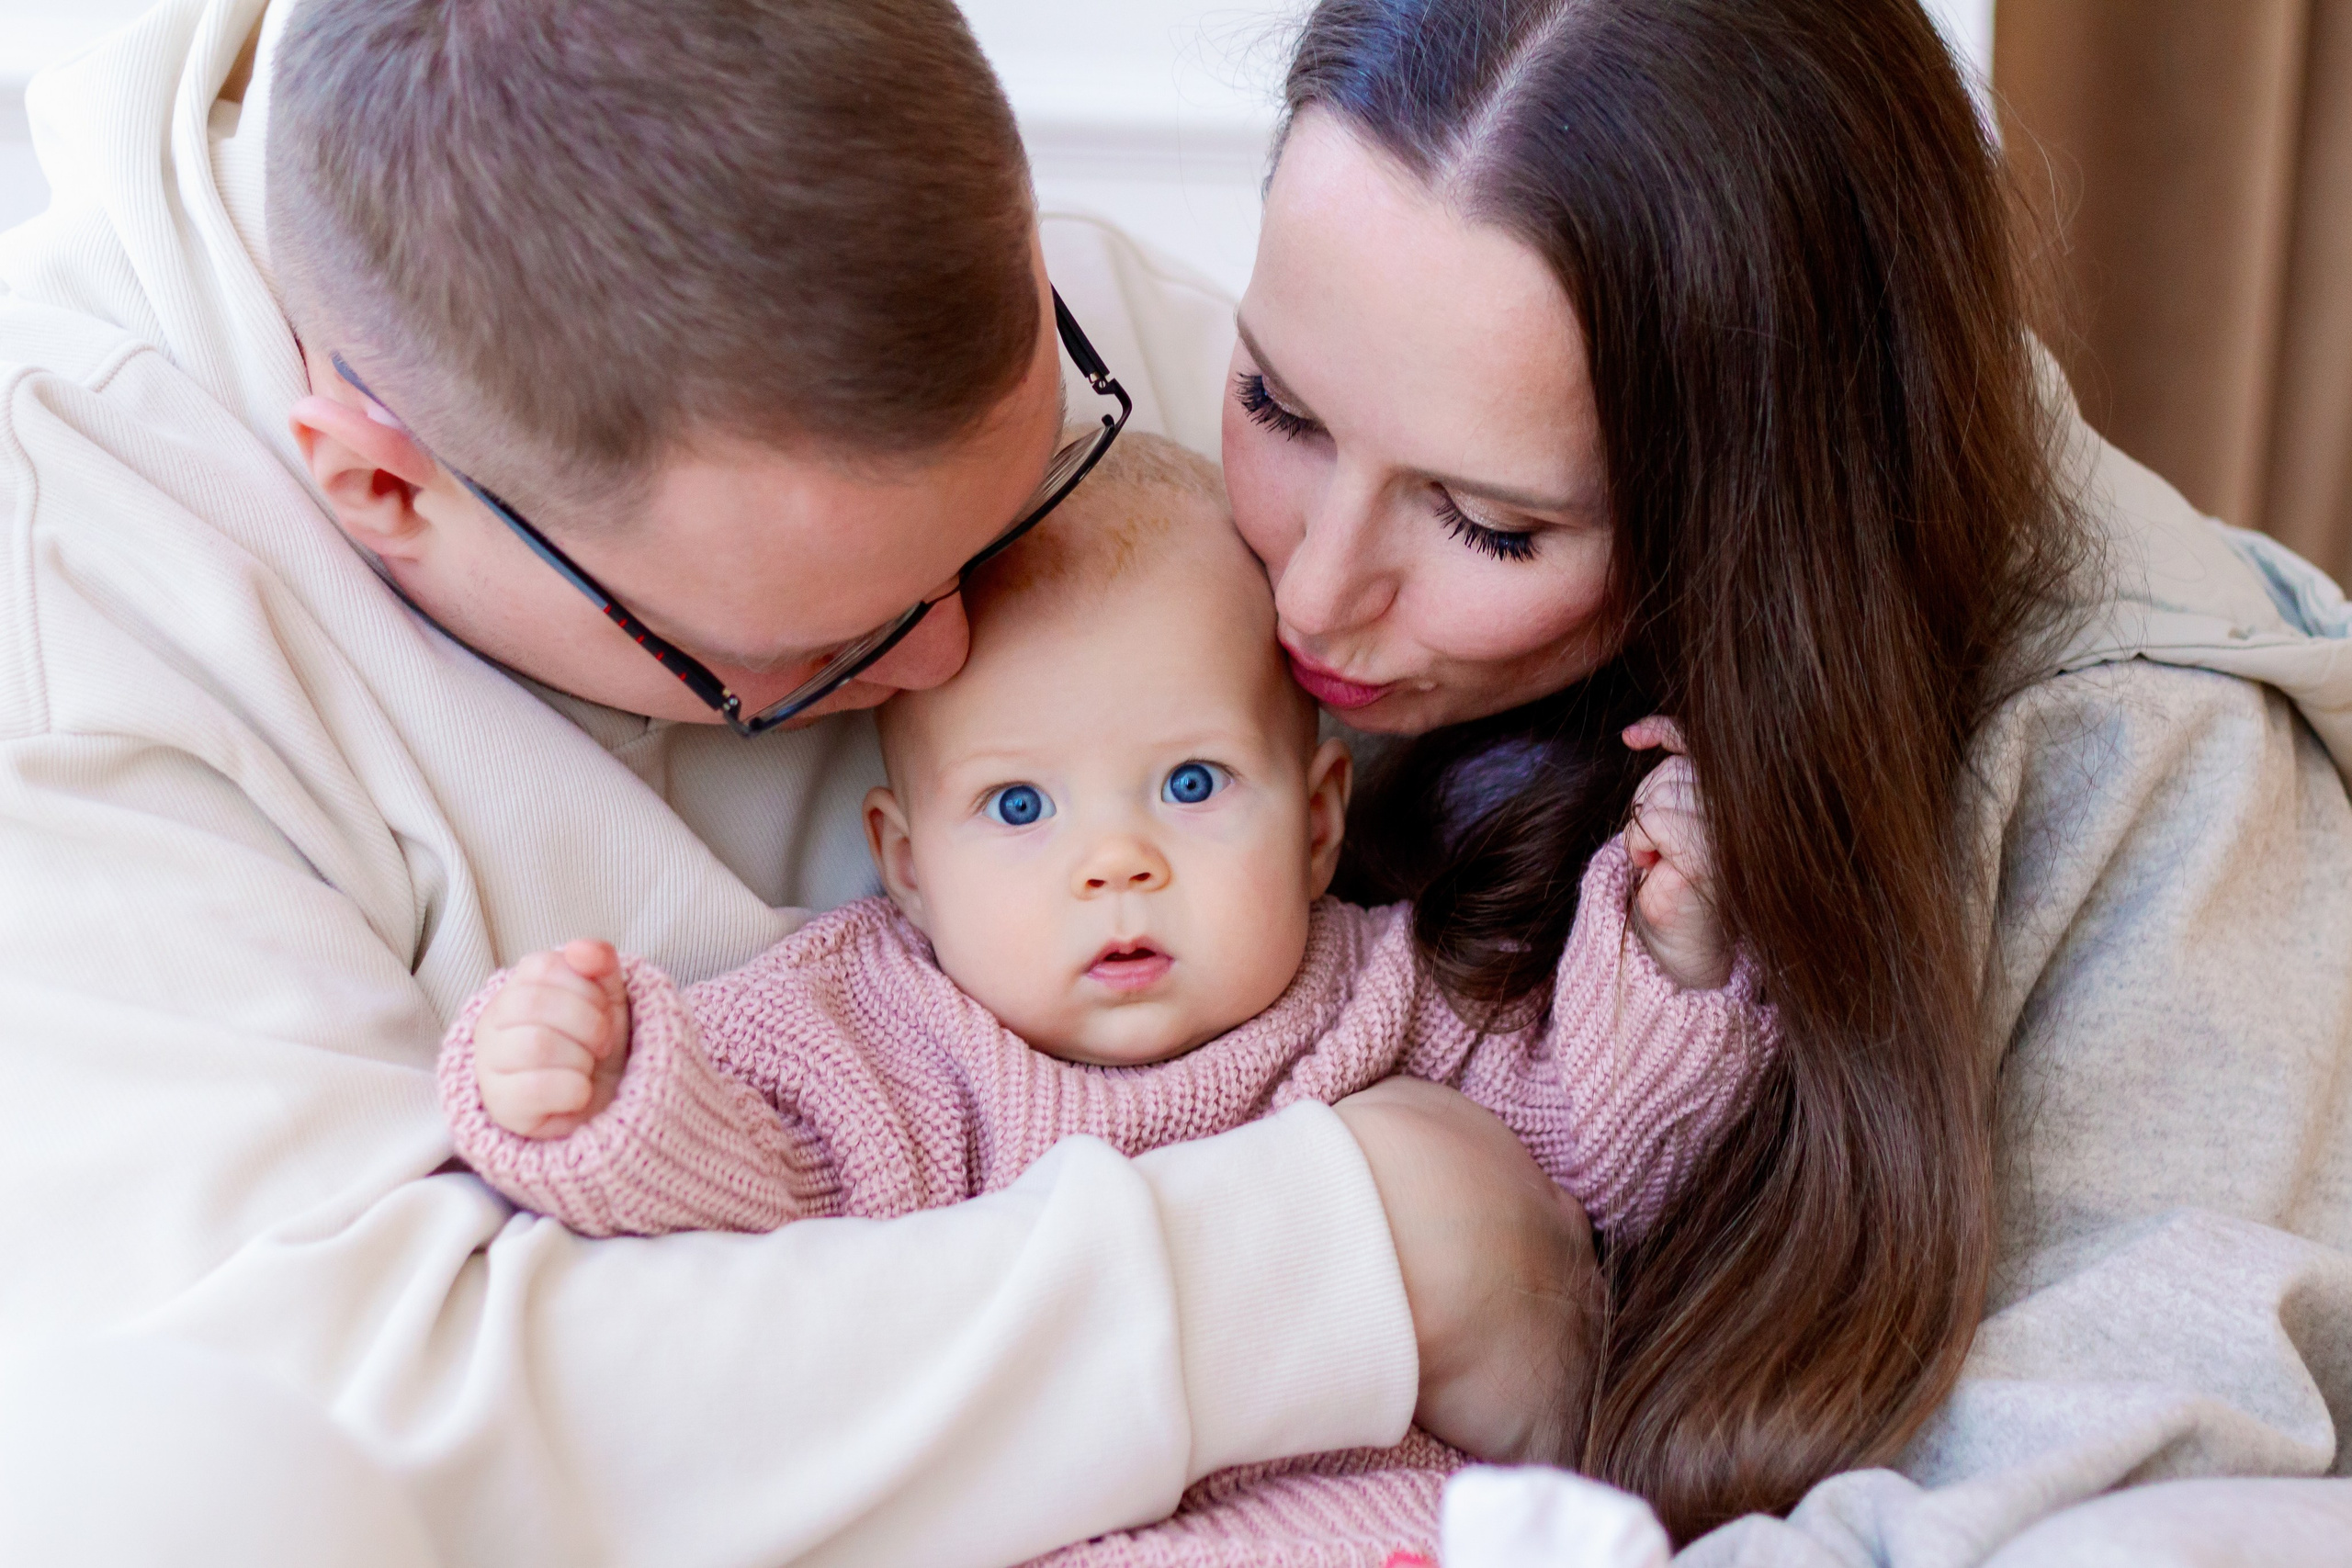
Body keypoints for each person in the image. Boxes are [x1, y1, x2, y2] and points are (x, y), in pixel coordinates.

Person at [0, 4, 1600, 1565]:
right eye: (830, 643)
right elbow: (378, 1425)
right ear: (380, 484)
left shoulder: (963, 281)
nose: (952, 652)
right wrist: (1347, 1261)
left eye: (1002, 521)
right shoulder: (72, 619)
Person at [1219, 0, 2352, 1560]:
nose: (1313, 595)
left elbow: (2112, 1466)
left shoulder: (2169, 778)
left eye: (1488, 526)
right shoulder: (1244, 505)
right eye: (1277, 406)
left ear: (1759, 505)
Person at [432, 434, 1769, 1566]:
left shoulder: (1386, 993)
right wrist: (604, 1095)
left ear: (1315, 828)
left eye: (1192, 785)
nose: (1115, 863)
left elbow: (1603, 1154)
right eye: (1019, 806)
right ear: (908, 864)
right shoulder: (872, 1033)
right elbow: (741, 1219)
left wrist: (1672, 944)